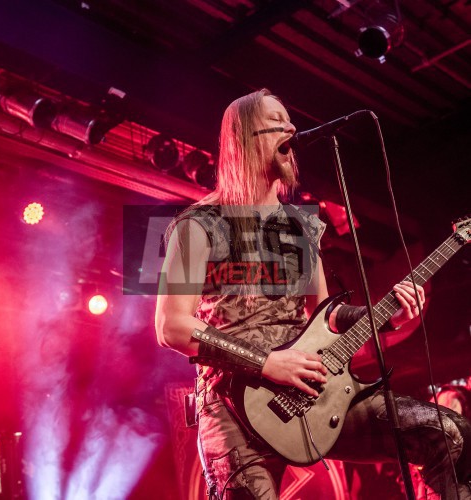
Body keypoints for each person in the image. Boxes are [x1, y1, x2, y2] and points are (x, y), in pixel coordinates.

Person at [155, 89, 471, 499]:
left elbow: (325, 316)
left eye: (291, 120)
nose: (292, 128)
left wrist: (387, 313)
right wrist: (267, 363)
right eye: (278, 121)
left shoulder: (300, 229)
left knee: (449, 435)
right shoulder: (197, 225)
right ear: (246, 138)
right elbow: (172, 327)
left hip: (310, 393)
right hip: (232, 407)